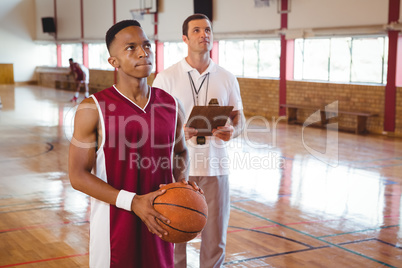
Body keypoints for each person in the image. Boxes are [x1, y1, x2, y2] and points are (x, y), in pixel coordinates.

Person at [68, 20, 200, 268]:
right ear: (113, 62)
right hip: (114, 229)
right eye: (131, 47)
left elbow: (180, 153)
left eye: (146, 45)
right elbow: (77, 176)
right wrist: (133, 202)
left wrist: (181, 187)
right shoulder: (92, 108)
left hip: (162, 222)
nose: (143, 52)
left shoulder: (171, 105)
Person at [152, 13, 245, 268]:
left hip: (217, 168)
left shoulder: (226, 77)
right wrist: (178, 131)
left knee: (216, 240)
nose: (204, 34)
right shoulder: (166, 77)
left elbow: (240, 120)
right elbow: (153, 126)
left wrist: (231, 131)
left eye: (207, 30)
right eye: (196, 31)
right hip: (177, 169)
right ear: (185, 38)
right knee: (174, 236)